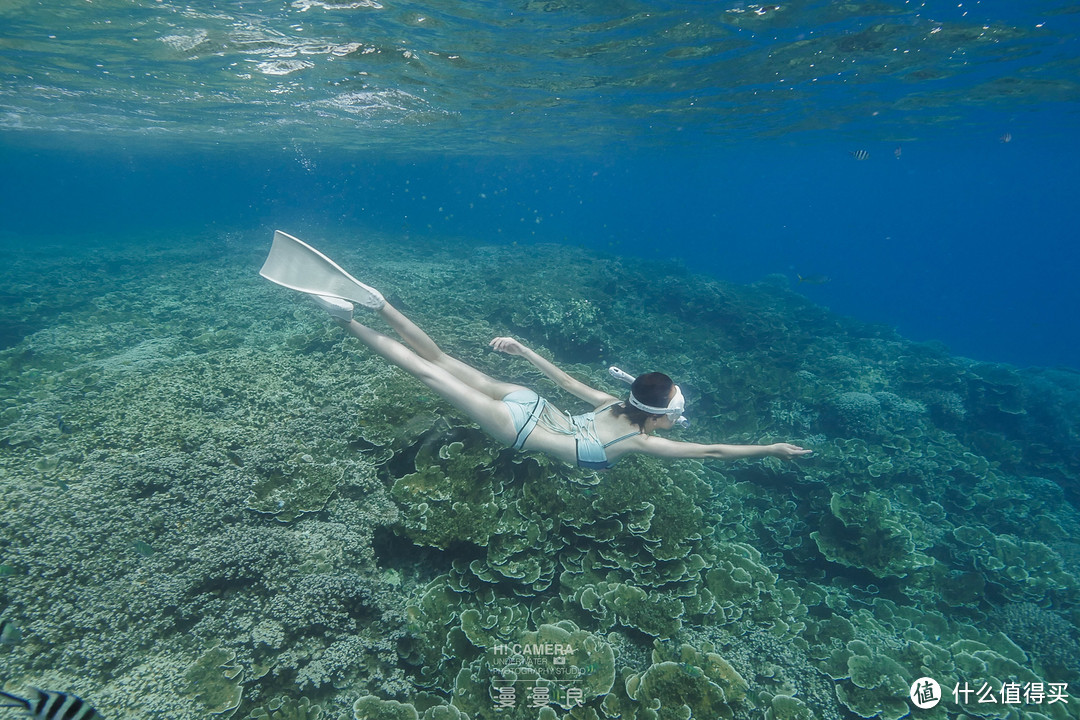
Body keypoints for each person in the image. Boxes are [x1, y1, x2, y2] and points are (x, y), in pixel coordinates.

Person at [307, 283, 811, 470]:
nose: (679, 423)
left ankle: (379, 303)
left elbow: (566, 382)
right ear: (661, 415)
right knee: (428, 374)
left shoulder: (610, 400)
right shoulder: (638, 442)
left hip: (532, 401)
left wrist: (524, 350)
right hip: (520, 427)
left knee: (439, 359)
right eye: (677, 415)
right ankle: (348, 319)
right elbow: (714, 452)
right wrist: (771, 449)